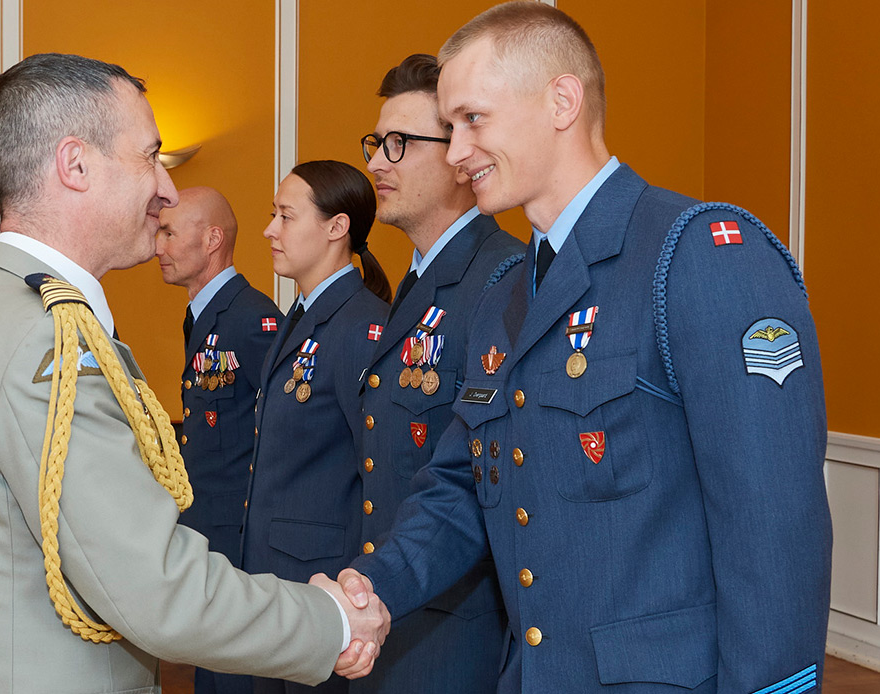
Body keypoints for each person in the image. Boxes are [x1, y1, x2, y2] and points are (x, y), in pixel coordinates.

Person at [340, 4, 832, 693]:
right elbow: (459, 485)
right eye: (449, 130)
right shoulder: (509, 290)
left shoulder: (696, 254)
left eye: (472, 121)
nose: (455, 153)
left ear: (561, 101)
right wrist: (372, 588)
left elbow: (774, 532)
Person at [0, 53, 387, 694]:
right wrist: (331, 623)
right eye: (150, 157)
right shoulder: (48, 341)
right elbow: (154, 589)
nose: (166, 189)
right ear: (75, 165)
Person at [352, 53, 522, 694]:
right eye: (375, 143)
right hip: (400, 601)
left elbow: (483, 477)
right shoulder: (422, 280)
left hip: (455, 625)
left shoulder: (501, 277)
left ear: (460, 155)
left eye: (400, 144)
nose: (376, 163)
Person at [240, 160, 391, 694]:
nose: (270, 230)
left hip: (323, 586)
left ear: (336, 227)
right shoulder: (301, 318)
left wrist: (362, 589)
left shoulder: (361, 325)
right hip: (277, 581)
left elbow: (376, 470)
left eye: (285, 215)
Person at [156, 186, 282, 694]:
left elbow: (276, 431)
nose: (158, 245)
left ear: (212, 240)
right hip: (210, 534)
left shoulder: (252, 318)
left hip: (239, 541)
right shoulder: (206, 315)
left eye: (169, 232)